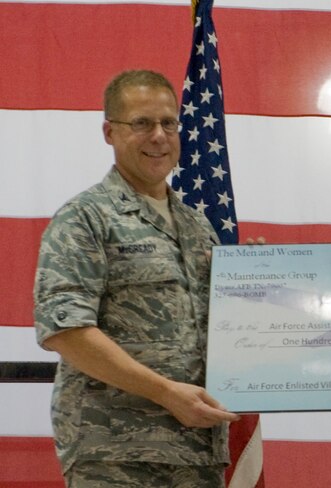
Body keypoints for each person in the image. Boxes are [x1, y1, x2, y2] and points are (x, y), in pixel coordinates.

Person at [33, 70, 239, 487]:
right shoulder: (85, 218)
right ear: (110, 132)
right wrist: (166, 392)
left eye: (168, 123)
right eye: (141, 123)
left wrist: (258, 282)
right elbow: (65, 330)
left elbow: (225, 328)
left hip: (197, 451)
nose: (159, 136)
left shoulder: (198, 227)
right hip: (114, 452)